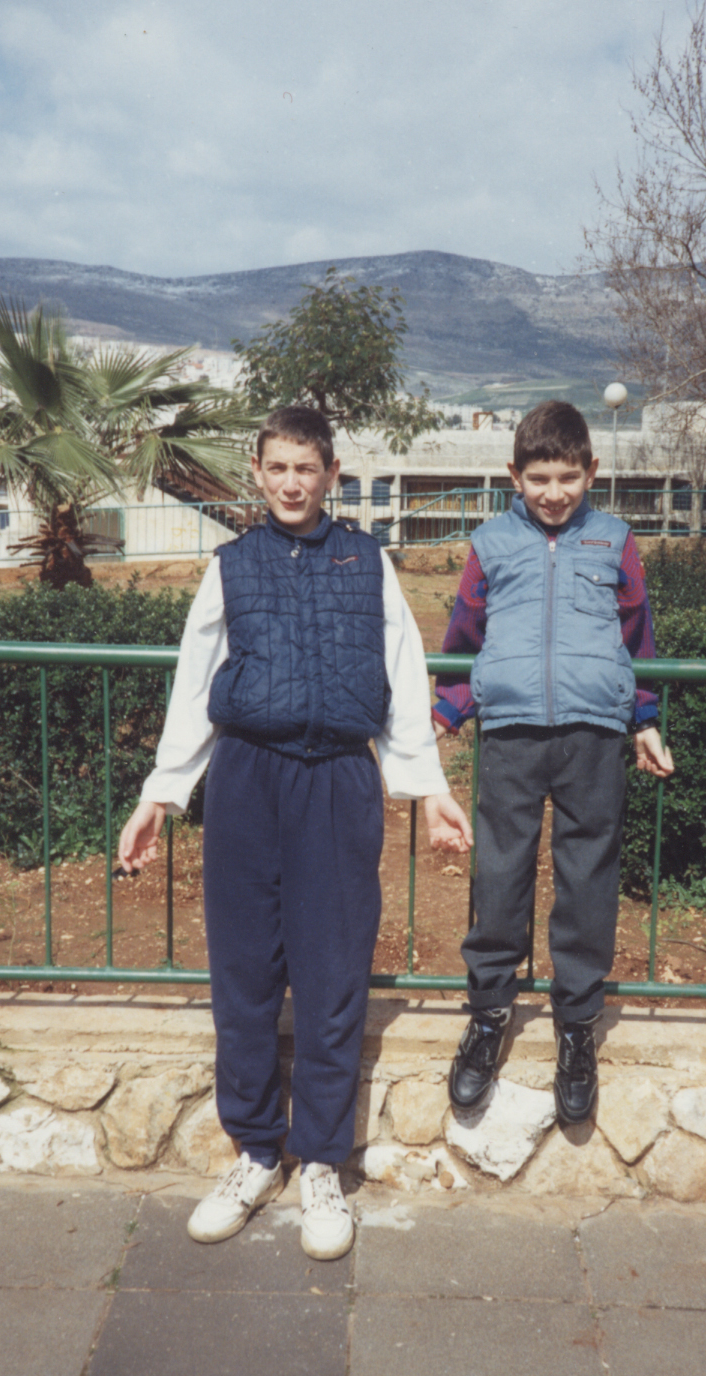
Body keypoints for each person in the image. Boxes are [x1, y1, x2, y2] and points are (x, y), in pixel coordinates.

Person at [119, 405, 471, 1260]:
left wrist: (428, 790)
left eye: (305, 470)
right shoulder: (230, 567)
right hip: (246, 781)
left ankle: (320, 1162)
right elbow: (195, 688)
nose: (289, 484)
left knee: (330, 972)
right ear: (257, 470)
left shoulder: (369, 564)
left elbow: (402, 676)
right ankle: (253, 1152)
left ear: (331, 474)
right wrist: (160, 796)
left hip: (339, 785)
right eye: (276, 468)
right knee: (243, 970)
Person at [432, 399, 673, 1124]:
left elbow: (639, 637)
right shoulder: (491, 543)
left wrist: (646, 719)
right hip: (508, 732)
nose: (553, 493)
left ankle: (576, 1025)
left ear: (591, 471)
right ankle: (488, 1015)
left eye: (568, 477)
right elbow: (462, 633)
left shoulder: (615, 541)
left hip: (593, 734)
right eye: (538, 478)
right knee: (500, 871)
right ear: (514, 474)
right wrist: (448, 711)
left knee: (586, 875)